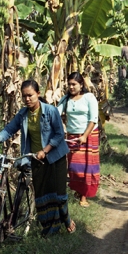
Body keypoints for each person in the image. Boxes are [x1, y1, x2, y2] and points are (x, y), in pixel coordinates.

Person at [0, 80, 75, 235]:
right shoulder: (23, 115)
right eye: (24, 96)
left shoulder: (51, 111)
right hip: (35, 158)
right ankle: (50, 229)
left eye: (30, 95)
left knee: (58, 195)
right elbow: (8, 130)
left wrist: (45, 150)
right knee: (42, 195)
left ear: (38, 94)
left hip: (55, 157)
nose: (27, 99)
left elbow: (59, 135)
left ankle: (67, 220)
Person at [57, 72, 100, 208]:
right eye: (69, 84)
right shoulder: (65, 99)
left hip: (88, 135)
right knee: (74, 167)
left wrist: (85, 136)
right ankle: (77, 190)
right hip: (72, 137)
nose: (71, 87)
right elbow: (56, 114)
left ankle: (84, 196)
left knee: (86, 167)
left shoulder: (89, 97)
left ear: (81, 85)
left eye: (74, 84)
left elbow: (93, 119)